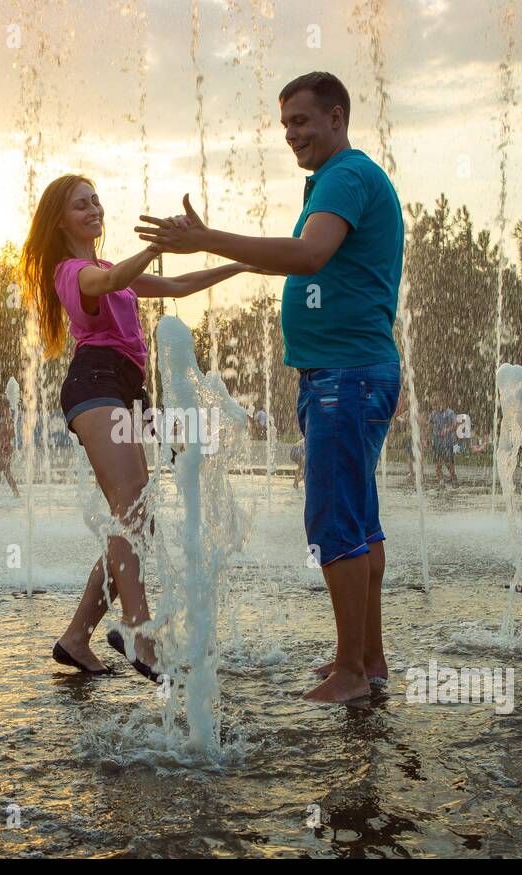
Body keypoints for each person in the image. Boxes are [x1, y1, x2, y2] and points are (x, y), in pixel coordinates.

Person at [138, 71, 403, 703]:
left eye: (302, 122)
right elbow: (296, 255)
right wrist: (219, 253)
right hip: (350, 372)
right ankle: (368, 658)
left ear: (337, 118)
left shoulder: (345, 176)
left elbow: (308, 255)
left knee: (334, 518)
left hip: (346, 376)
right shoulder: (341, 180)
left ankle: (349, 672)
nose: (291, 135)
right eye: (285, 124)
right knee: (359, 519)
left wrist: (204, 237)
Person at [21, 173, 256, 680]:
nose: (94, 209)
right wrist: (153, 247)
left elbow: (177, 285)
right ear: (59, 220)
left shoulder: (108, 266)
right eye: (80, 205)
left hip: (128, 391)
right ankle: (138, 632)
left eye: (96, 200)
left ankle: (76, 637)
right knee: (132, 511)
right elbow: (107, 284)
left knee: (136, 517)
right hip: (97, 384)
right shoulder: (72, 272)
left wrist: (242, 264)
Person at [0, 395, 20, 498]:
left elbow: (10, 435)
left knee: (0, 471)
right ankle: (15, 493)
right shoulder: (5, 418)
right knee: (4, 472)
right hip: (5, 449)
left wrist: (5, 448)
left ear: (3, 406)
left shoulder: (7, 419)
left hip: (5, 450)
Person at [429, 395, 458, 487]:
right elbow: (429, 425)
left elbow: (455, 424)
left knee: (448, 463)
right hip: (436, 442)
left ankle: (453, 478)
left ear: (442, 402)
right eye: (434, 404)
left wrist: (447, 430)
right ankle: (441, 482)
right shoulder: (434, 413)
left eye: (436, 404)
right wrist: (426, 437)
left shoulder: (450, 413)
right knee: (437, 464)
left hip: (447, 442)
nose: (435, 406)